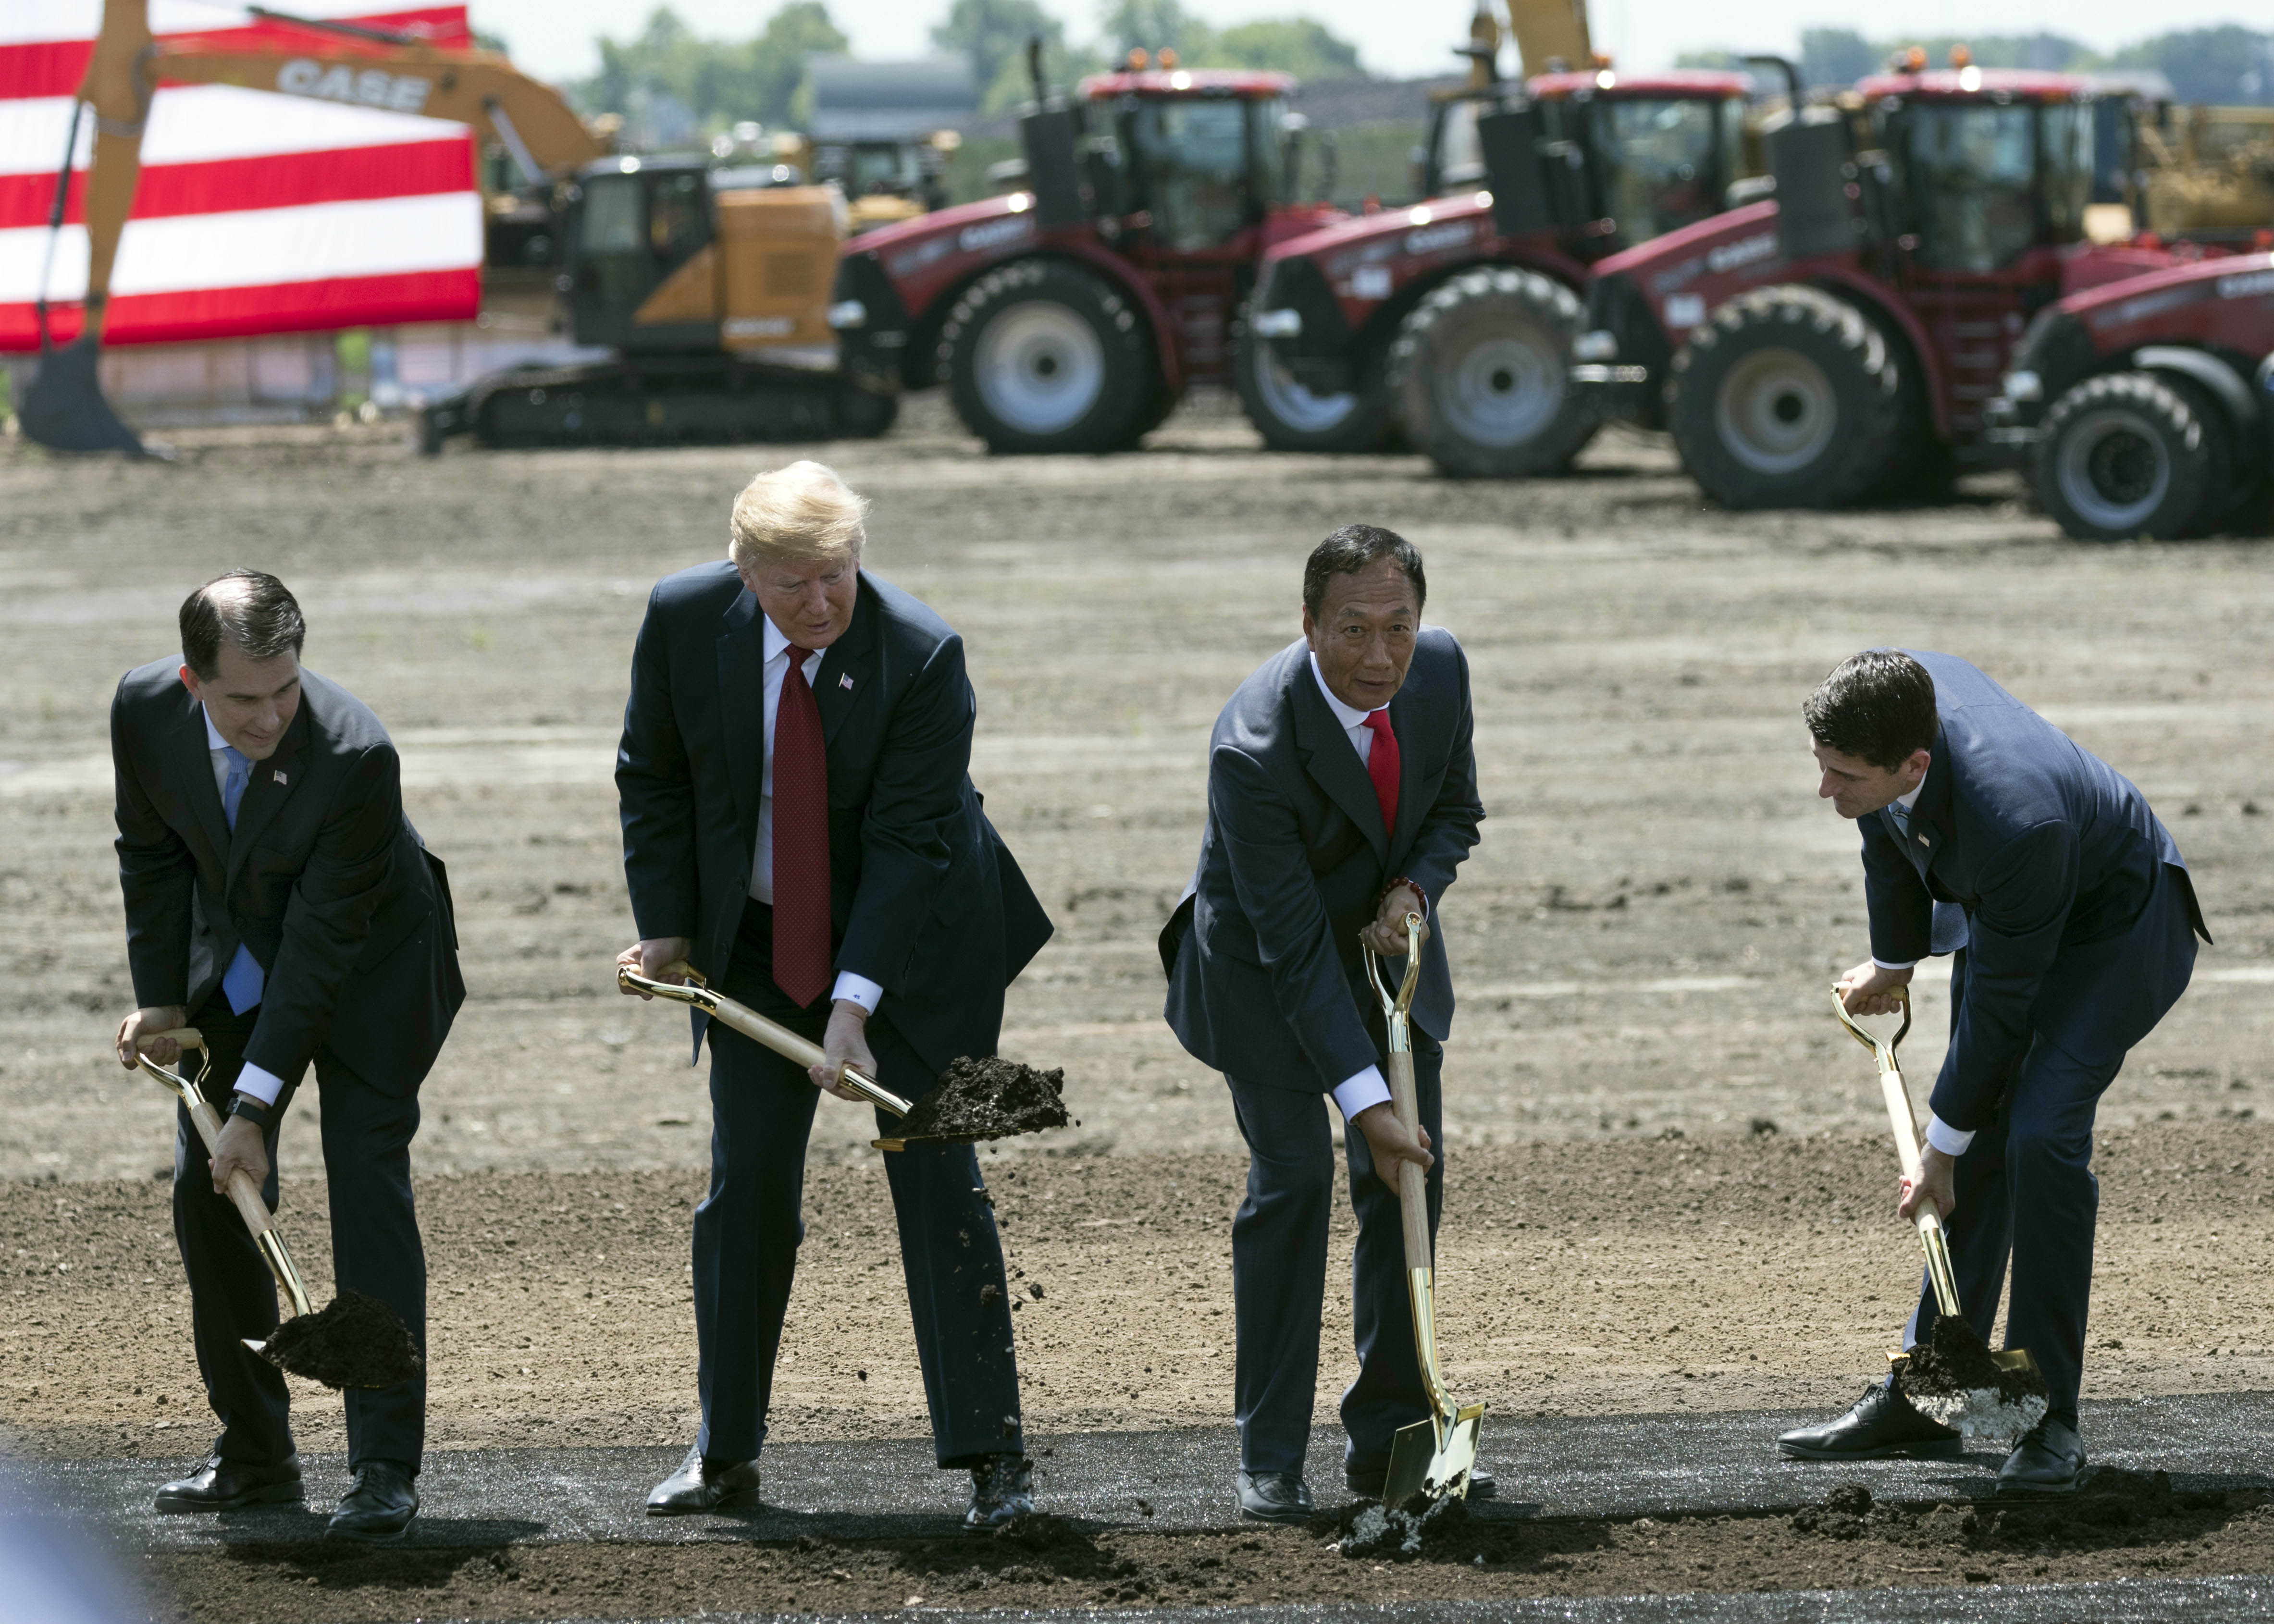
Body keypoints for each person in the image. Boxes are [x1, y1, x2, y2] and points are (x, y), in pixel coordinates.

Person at [615, 460, 1052, 1528]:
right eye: (792, 583)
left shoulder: (922, 651)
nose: (820, 603)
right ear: (743, 570)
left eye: (838, 574)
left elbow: (909, 847)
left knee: (942, 1173)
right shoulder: (682, 617)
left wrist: (853, 1009)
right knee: (747, 1182)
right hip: (758, 944)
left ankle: (994, 1459)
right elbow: (653, 774)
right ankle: (723, 1450)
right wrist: (667, 927)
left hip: (934, 943)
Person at [1778, 650, 2209, 1491]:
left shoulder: (2015, 822)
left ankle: (2050, 1421)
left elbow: (2003, 1015)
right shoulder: (1890, 712)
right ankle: (1934, 1391)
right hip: (2017, 910)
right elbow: (1884, 833)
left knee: (2037, 1136)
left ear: (1916, 763)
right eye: (1821, 766)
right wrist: (1894, 958)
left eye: (1843, 774)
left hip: (2118, 931)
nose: (1824, 790)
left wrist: (1941, 1151)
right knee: (1977, 1129)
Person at [110, 570, 463, 1538]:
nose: (270, 716)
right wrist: (166, 1004)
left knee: (364, 1173)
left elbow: (319, 952)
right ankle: (255, 1454)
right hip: (239, 960)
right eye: (243, 698)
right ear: (191, 681)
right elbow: (150, 854)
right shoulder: (143, 710)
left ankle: (383, 1466)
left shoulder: (354, 756)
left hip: (374, 970)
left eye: (285, 690)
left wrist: (255, 1111)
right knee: (206, 1186)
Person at [1159, 525, 1489, 1522]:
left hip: (1386, 958)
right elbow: (1293, 948)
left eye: (1398, 625)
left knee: (1403, 1184)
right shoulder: (1252, 746)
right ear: (1307, 625)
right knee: (1296, 1179)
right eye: (1352, 630)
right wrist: (1366, 1100)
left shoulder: (1437, 674)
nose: (1380, 656)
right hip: (1261, 973)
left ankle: (1393, 1433)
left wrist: (1411, 888)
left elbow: (1455, 812)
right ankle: (1268, 1455)